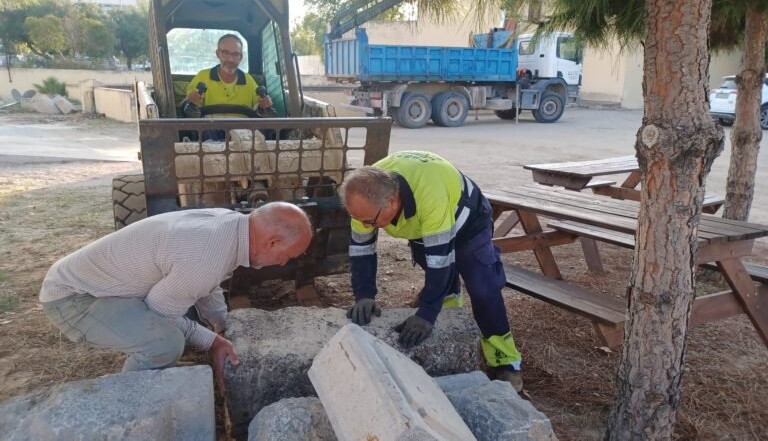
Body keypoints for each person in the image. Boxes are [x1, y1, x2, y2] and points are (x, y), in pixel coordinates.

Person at [39, 203, 312, 389]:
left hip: (105, 282)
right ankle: (126, 405)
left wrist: (223, 324)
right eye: (287, 256)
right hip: (75, 298)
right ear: (272, 241)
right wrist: (213, 340)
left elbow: (210, 285)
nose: (282, 264)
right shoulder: (206, 257)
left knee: (184, 313)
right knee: (164, 344)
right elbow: (160, 314)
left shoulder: (230, 225)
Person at [340, 150, 523, 391]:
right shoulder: (364, 198)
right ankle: (451, 330)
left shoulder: (429, 197)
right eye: (360, 220)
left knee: (483, 289)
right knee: (443, 288)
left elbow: (441, 260)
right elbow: (362, 250)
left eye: (370, 222)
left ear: (392, 202)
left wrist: (426, 314)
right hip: (423, 225)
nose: (365, 226)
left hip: (467, 223)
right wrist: (364, 294)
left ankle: (506, 362)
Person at [182, 34, 276, 140]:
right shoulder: (202, 77)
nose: (231, 59)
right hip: (211, 131)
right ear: (218, 53)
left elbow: (262, 113)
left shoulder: (249, 81)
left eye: (236, 54)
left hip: (244, 134)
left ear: (241, 57)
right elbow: (190, 112)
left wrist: (264, 106)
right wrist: (192, 101)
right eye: (225, 53)